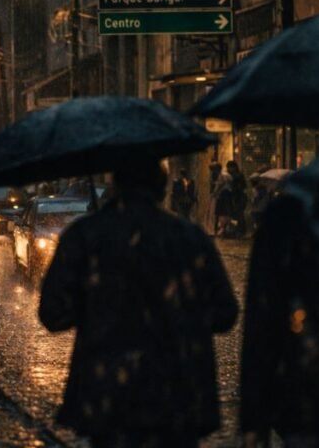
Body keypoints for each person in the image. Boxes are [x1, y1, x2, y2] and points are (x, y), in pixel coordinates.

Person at [39, 158, 238, 447]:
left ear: (115, 185)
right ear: (161, 188)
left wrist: (96, 304)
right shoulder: (190, 238)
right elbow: (225, 314)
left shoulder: (85, 236)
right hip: (177, 398)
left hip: (109, 399)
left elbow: (53, 314)